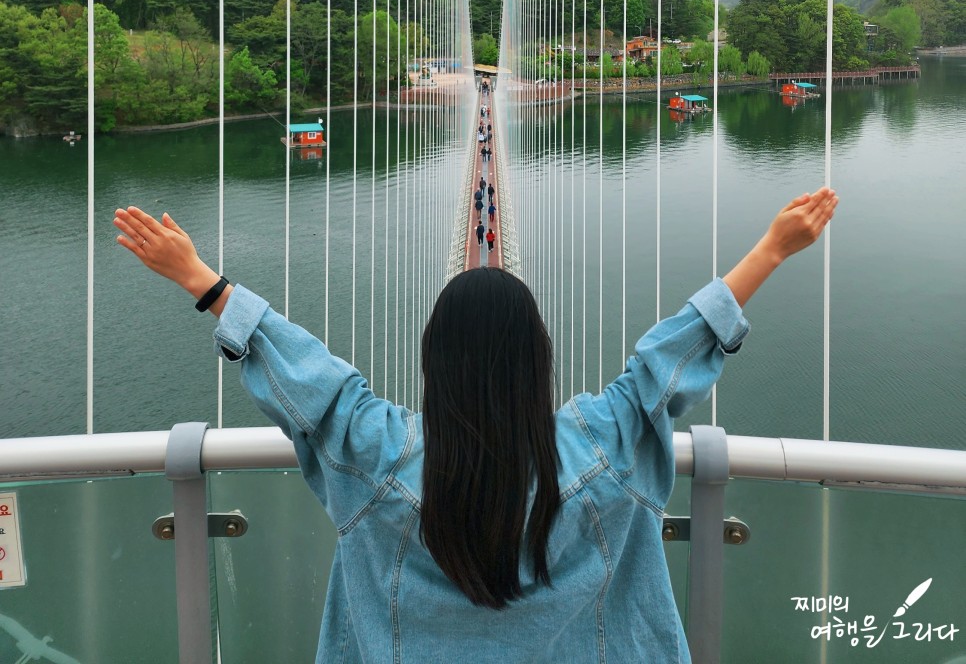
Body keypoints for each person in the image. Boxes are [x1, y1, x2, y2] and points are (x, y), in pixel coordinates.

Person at [113, 187, 837, 663]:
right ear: (538, 359)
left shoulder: (378, 457)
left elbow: (314, 384)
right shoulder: (604, 446)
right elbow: (665, 363)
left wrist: (203, 280)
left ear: (435, 359)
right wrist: (771, 249)